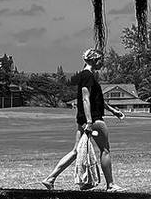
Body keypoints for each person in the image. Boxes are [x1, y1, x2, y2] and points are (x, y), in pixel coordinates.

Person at [42, 49, 125, 191]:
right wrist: (89, 122)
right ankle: (110, 185)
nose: (102, 63)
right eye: (100, 60)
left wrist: (113, 110)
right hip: (93, 119)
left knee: (76, 151)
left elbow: (96, 99)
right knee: (105, 150)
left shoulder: (86, 76)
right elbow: (86, 99)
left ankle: (50, 179)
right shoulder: (88, 76)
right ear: (94, 60)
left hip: (83, 119)